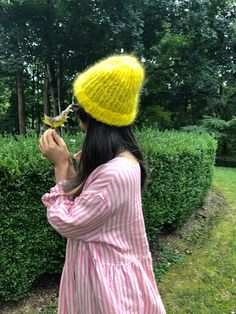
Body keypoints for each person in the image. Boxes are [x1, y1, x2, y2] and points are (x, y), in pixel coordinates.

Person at [39, 55, 166, 314]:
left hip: (103, 288)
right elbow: (89, 204)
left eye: (78, 109)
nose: (75, 117)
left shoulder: (114, 173)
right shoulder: (123, 161)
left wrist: (61, 166)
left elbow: (69, 221)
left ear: (93, 116)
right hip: (106, 275)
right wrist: (68, 164)